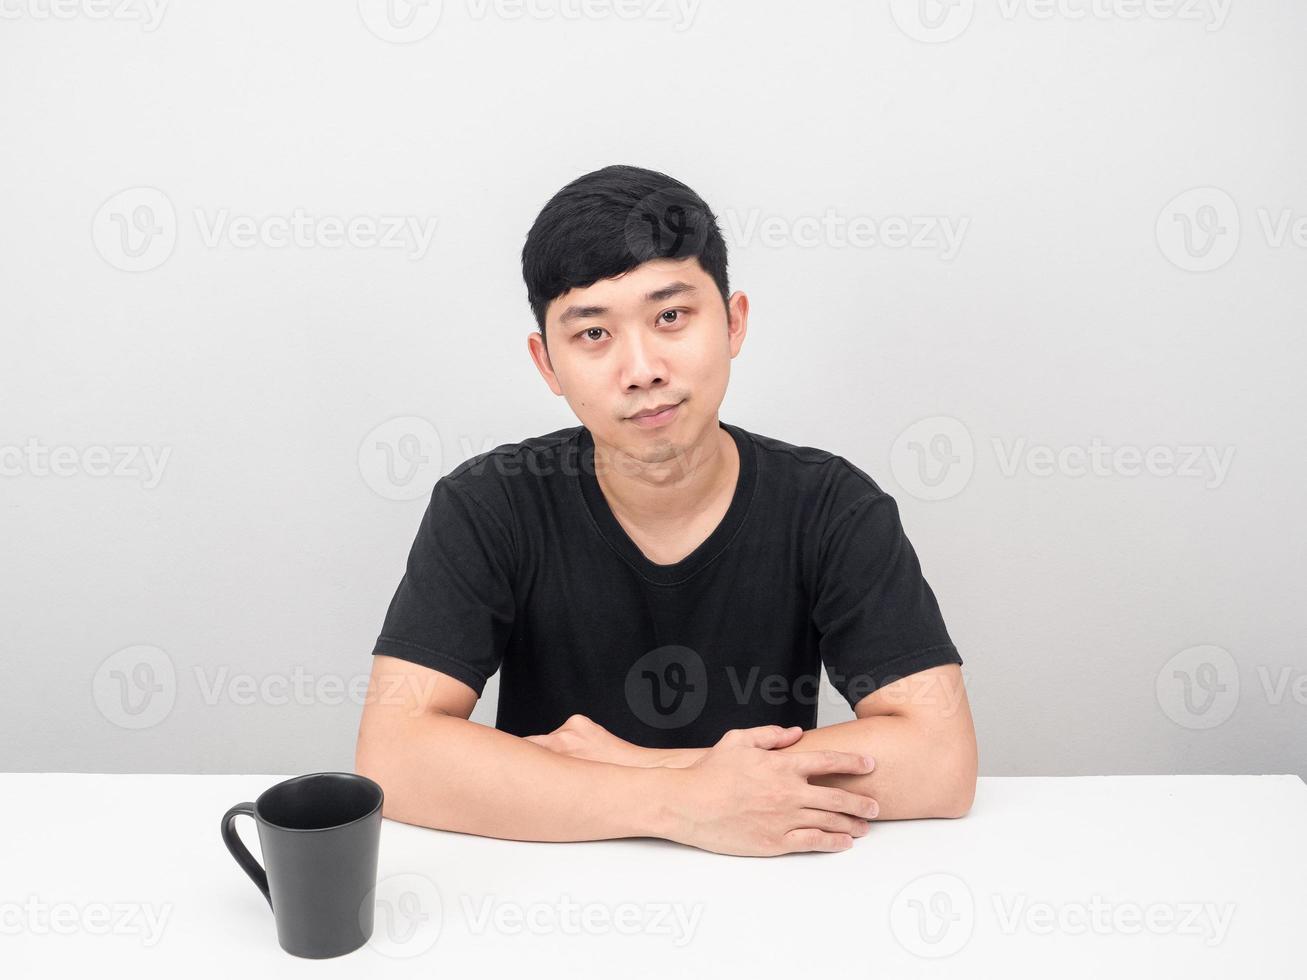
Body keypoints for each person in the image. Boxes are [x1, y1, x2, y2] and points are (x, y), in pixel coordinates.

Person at [355, 165, 977, 857]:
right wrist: (683, 799)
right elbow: (394, 754)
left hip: (770, 890)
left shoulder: (831, 506)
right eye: (593, 335)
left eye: (670, 316)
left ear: (733, 322)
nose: (643, 367)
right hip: (550, 888)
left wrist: (639, 762)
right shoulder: (490, 502)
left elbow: (938, 760)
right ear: (547, 365)